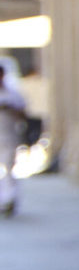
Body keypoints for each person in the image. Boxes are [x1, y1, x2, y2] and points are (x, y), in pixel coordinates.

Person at [0, 55, 30, 216]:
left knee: (8, 167)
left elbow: (23, 113)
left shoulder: (12, 94)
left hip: (8, 135)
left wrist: (9, 109)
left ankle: (8, 199)